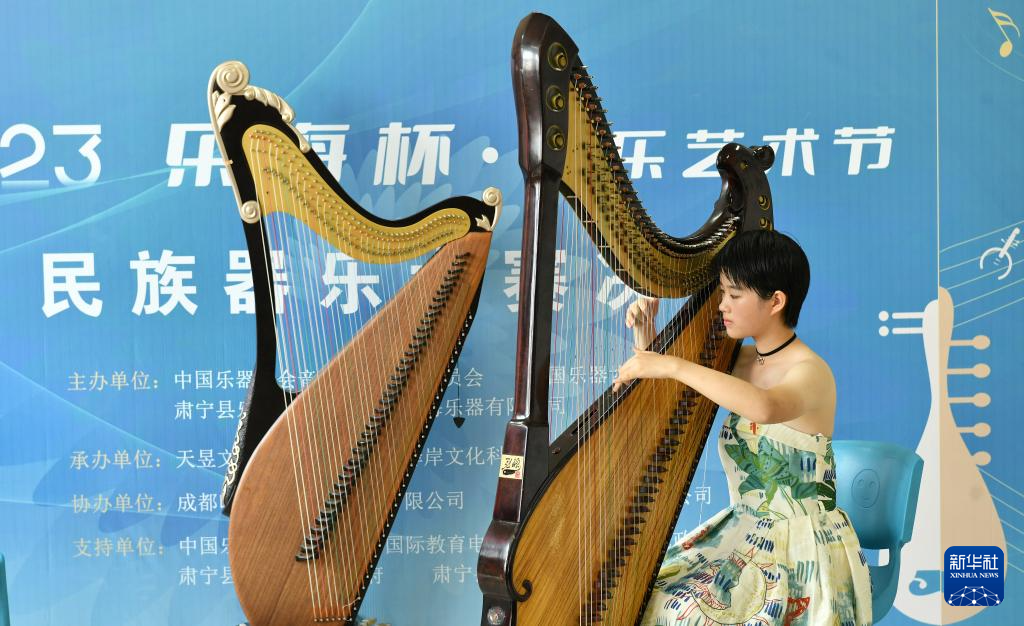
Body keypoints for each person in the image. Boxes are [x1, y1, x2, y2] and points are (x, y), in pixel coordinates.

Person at [612, 229, 872, 626]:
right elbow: (671, 388)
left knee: (692, 617)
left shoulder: (811, 372)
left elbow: (765, 407)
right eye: (722, 293)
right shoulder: (741, 360)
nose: (722, 306)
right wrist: (647, 333)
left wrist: (672, 364)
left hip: (800, 547)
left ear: (776, 302)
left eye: (734, 295)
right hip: (743, 532)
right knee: (648, 596)